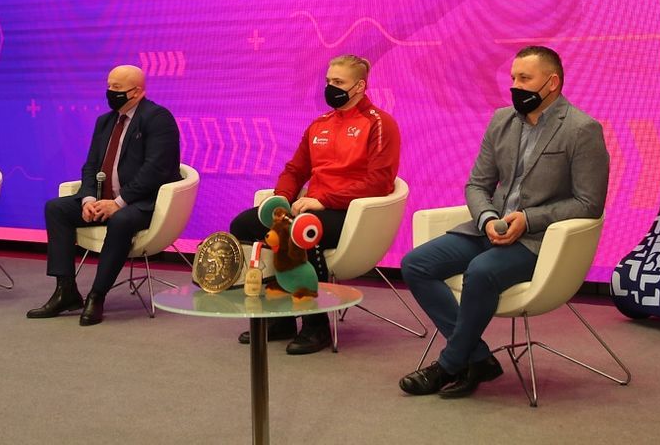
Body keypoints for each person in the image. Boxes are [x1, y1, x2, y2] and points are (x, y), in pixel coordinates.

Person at [398, 46, 609, 397]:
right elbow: (477, 185)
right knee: (416, 264)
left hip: (538, 240)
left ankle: (449, 365)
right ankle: (478, 358)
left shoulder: (581, 129)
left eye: (525, 78)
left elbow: (589, 203)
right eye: (513, 77)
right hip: (489, 228)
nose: (515, 86)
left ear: (552, 83)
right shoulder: (501, 120)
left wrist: (528, 219)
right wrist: (487, 219)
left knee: (481, 271)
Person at [230, 54, 400, 354]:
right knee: (244, 225)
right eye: (328, 81)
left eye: (339, 82)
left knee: (302, 232)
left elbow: (379, 182)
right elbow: (295, 171)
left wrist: (323, 200)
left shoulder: (379, 122)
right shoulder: (320, 124)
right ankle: (281, 317)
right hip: (311, 208)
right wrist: (282, 198)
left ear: (360, 86)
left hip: (349, 212)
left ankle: (315, 324)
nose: (330, 87)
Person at [27, 64, 181, 325]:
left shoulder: (158, 118)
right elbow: (91, 166)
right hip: (104, 198)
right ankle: (65, 291)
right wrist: (88, 199)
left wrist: (119, 202)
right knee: (56, 208)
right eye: (109, 86)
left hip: (142, 203)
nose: (110, 92)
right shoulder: (105, 122)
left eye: (117, 88)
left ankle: (97, 296)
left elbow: (155, 170)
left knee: (120, 220)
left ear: (137, 92)